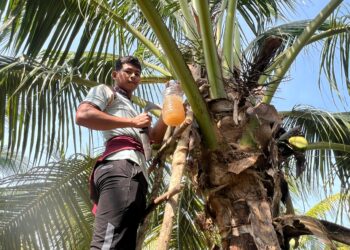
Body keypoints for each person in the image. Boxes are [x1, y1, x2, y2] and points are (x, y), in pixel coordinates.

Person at [75, 56, 168, 249]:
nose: (134, 76)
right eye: (128, 71)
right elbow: (83, 115)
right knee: (108, 242)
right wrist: (132, 122)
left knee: (122, 242)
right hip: (121, 165)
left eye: (137, 74)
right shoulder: (106, 91)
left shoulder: (133, 110)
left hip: (135, 172)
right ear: (115, 74)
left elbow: (155, 139)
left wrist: (171, 105)